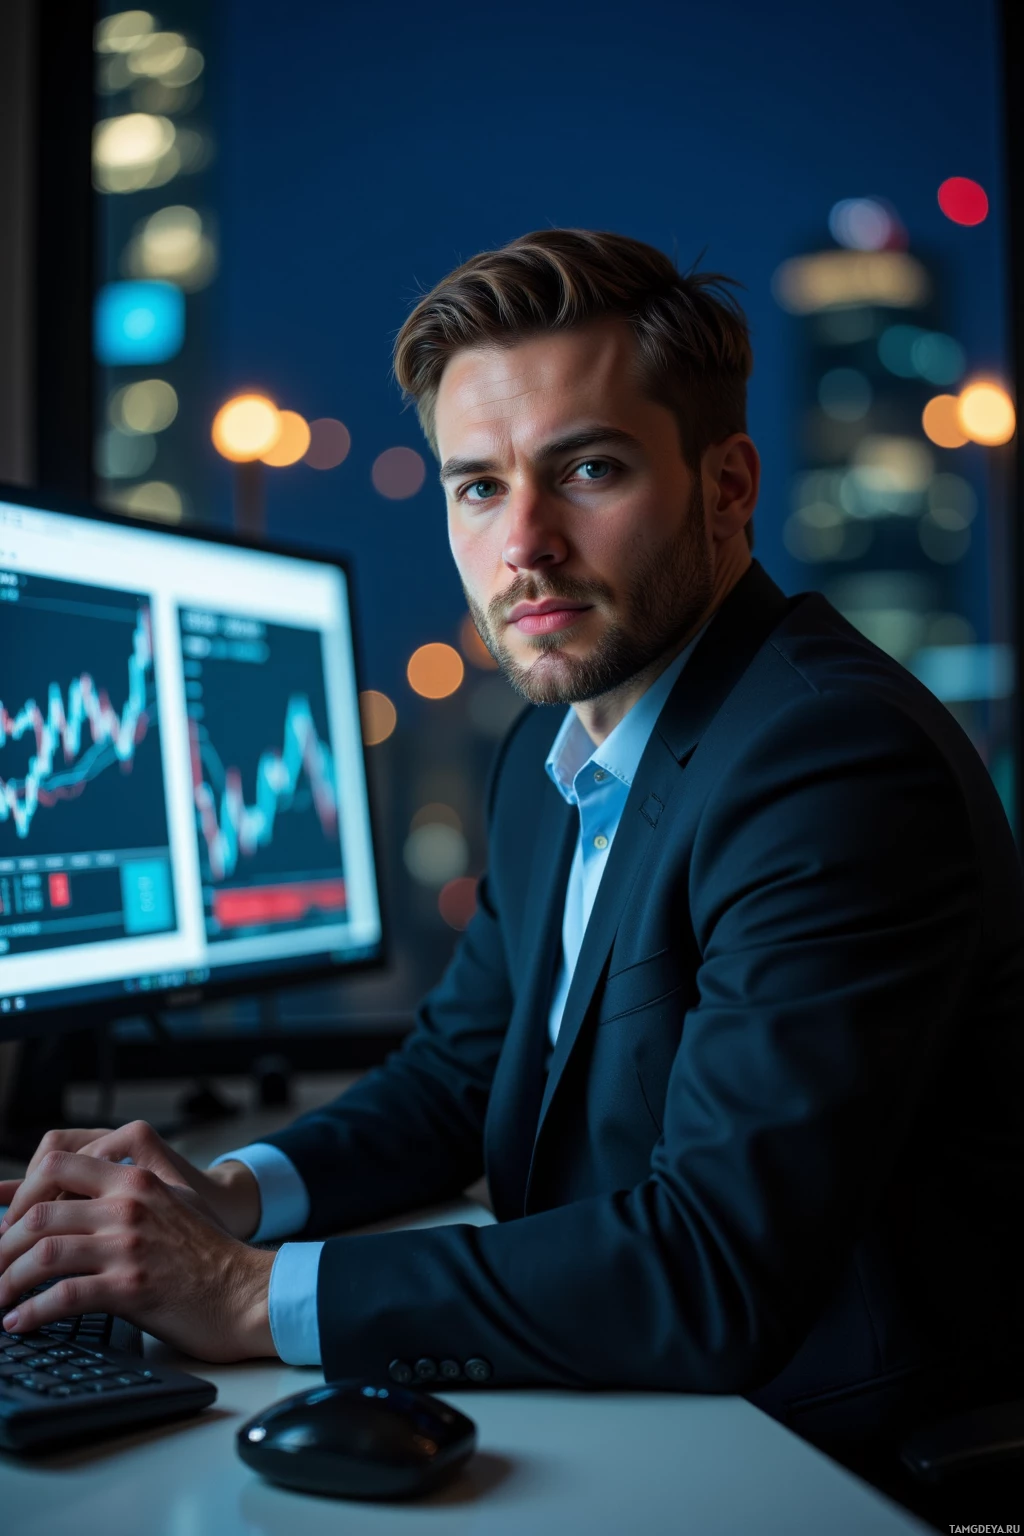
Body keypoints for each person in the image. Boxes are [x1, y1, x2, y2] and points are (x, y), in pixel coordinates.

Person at [1, 229, 1022, 1480]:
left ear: (728, 485)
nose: (523, 542)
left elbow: (716, 1266)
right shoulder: (559, 756)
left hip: (831, 1448)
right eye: (477, 486)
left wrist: (252, 1295)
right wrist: (231, 1194)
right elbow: (455, 1079)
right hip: (668, 1410)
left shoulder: (826, 760)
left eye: (585, 470)